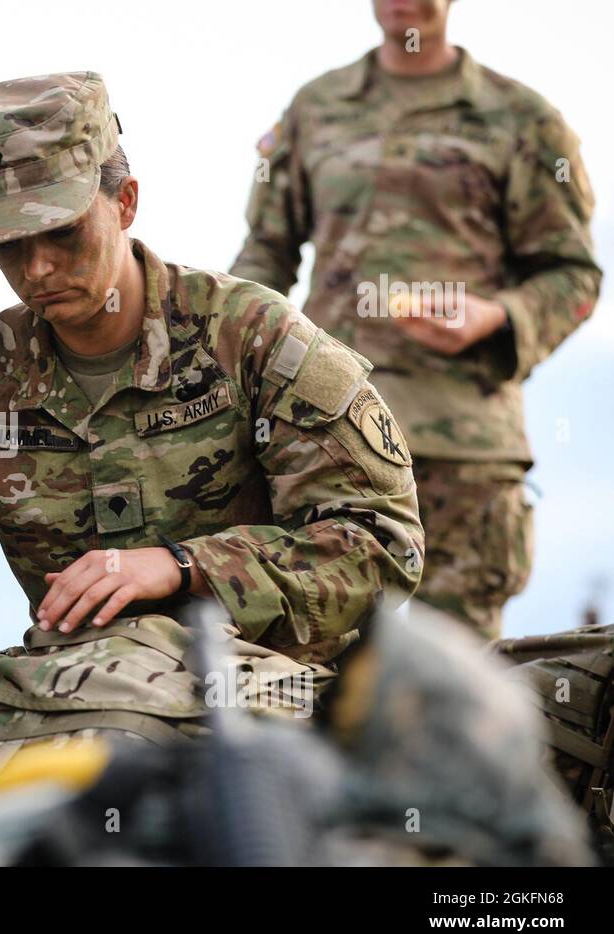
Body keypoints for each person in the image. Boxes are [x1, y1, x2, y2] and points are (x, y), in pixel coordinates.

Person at [0, 71, 424, 819]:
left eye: (62, 235)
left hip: (258, 695)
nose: (36, 271)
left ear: (124, 202)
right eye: (9, 245)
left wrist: (184, 567)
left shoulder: (259, 344)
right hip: (72, 698)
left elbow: (381, 544)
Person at [231, 0, 601, 640]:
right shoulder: (315, 108)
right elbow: (266, 253)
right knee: (314, 672)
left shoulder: (523, 120)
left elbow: (574, 274)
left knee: (457, 689)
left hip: (461, 459)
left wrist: (497, 315)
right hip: (327, 442)